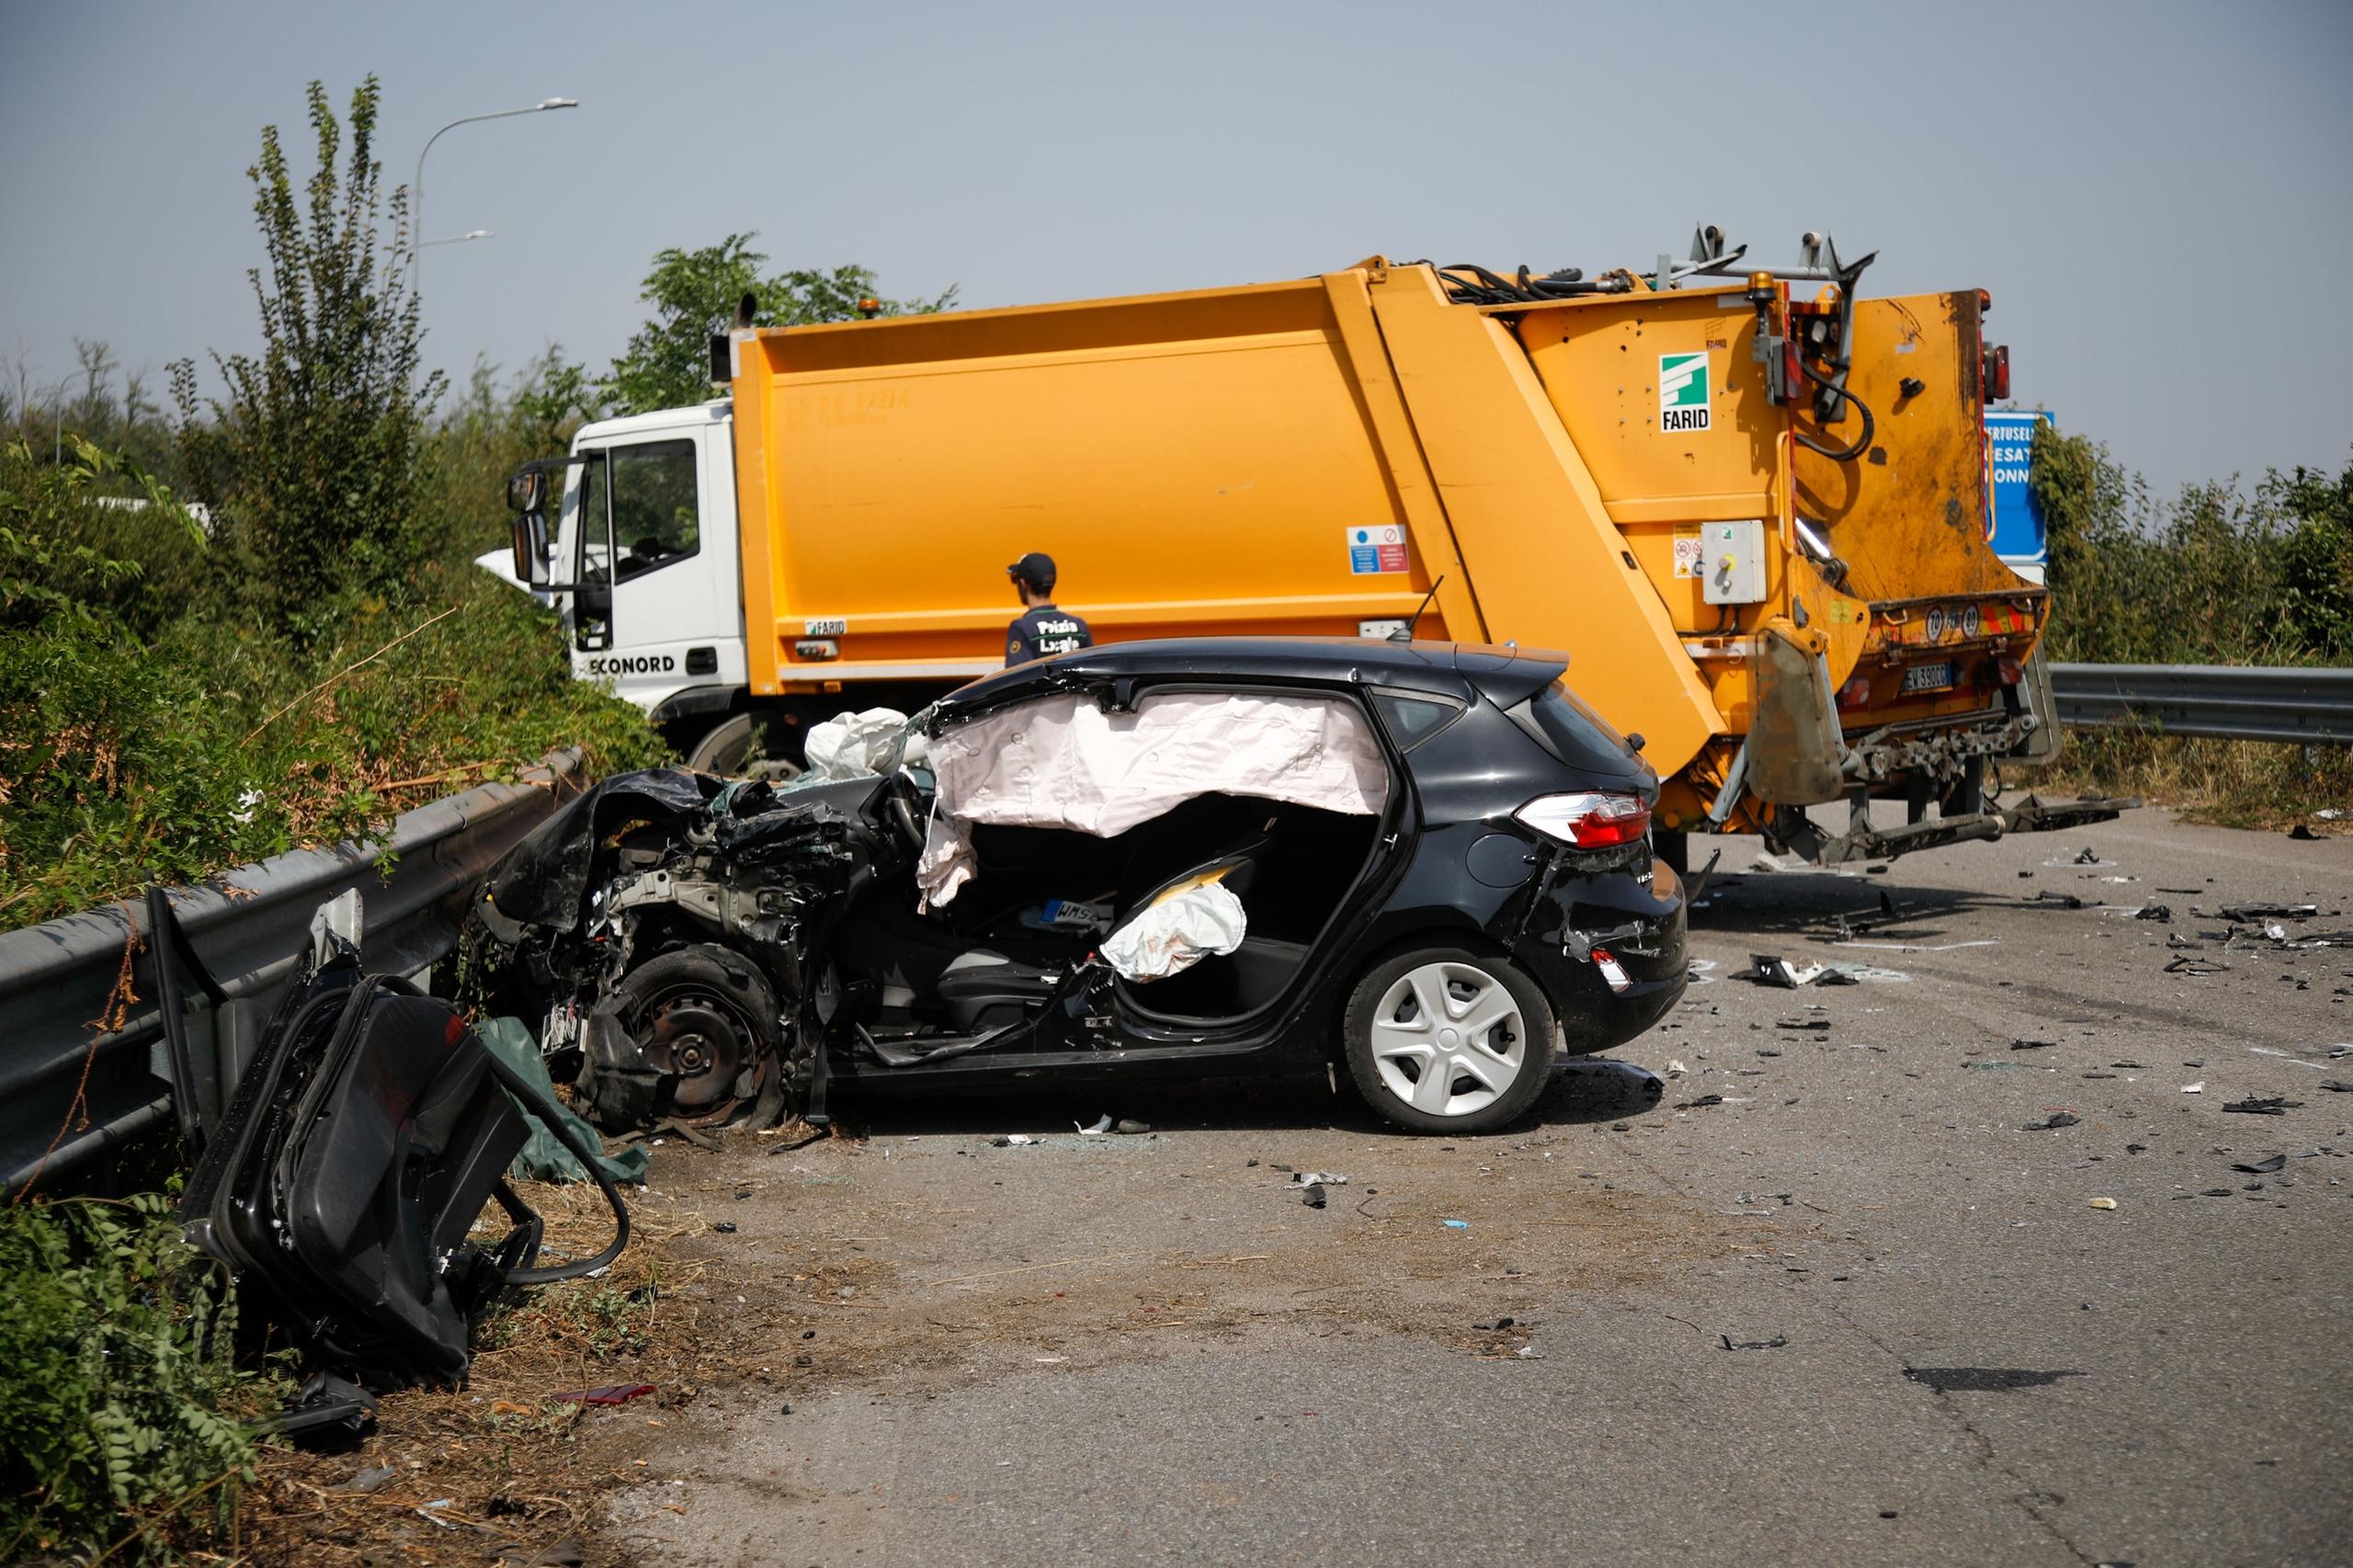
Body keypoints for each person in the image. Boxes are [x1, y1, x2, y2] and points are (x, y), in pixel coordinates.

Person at [1005, 551, 1093, 665]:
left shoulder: (1022, 628)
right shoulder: (1079, 626)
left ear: (1023, 583)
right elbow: (1092, 669)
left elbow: (1016, 678)